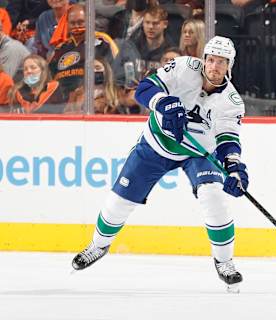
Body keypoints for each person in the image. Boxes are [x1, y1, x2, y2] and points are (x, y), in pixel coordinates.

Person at [72, 36, 249, 292]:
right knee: (119, 202)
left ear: (229, 66)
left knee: (214, 198)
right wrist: (164, 103)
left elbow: (228, 141)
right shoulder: (183, 67)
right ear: (204, 59)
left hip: (198, 154)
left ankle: (225, 263)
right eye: (211, 59)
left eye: (221, 62)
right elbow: (144, 88)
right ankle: (98, 245)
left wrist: (234, 168)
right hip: (157, 145)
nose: (214, 66)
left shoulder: (231, 103)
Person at [48, 4, 119, 96]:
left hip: (92, 97)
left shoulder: (104, 42)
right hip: (62, 100)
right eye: (72, 23)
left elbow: (115, 72)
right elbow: (49, 77)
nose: (76, 27)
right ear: (67, 24)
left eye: (80, 22)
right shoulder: (60, 48)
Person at [129, 5, 175, 73]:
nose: (150, 27)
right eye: (147, 22)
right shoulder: (132, 46)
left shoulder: (171, 51)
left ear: (165, 24)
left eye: (155, 23)